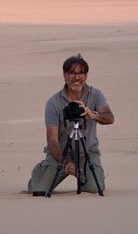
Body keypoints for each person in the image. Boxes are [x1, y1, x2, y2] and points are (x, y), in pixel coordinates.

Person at [28, 54, 114, 195]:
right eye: (72, 73)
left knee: (94, 189)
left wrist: (92, 114)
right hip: (60, 153)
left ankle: (90, 176)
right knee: (39, 190)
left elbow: (110, 118)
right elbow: (52, 139)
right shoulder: (54, 102)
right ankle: (40, 174)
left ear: (86, 76)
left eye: (80, 73)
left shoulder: (95, 95)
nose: (76, 78)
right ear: (64, 75)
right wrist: (66, 163)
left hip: (86, 153)